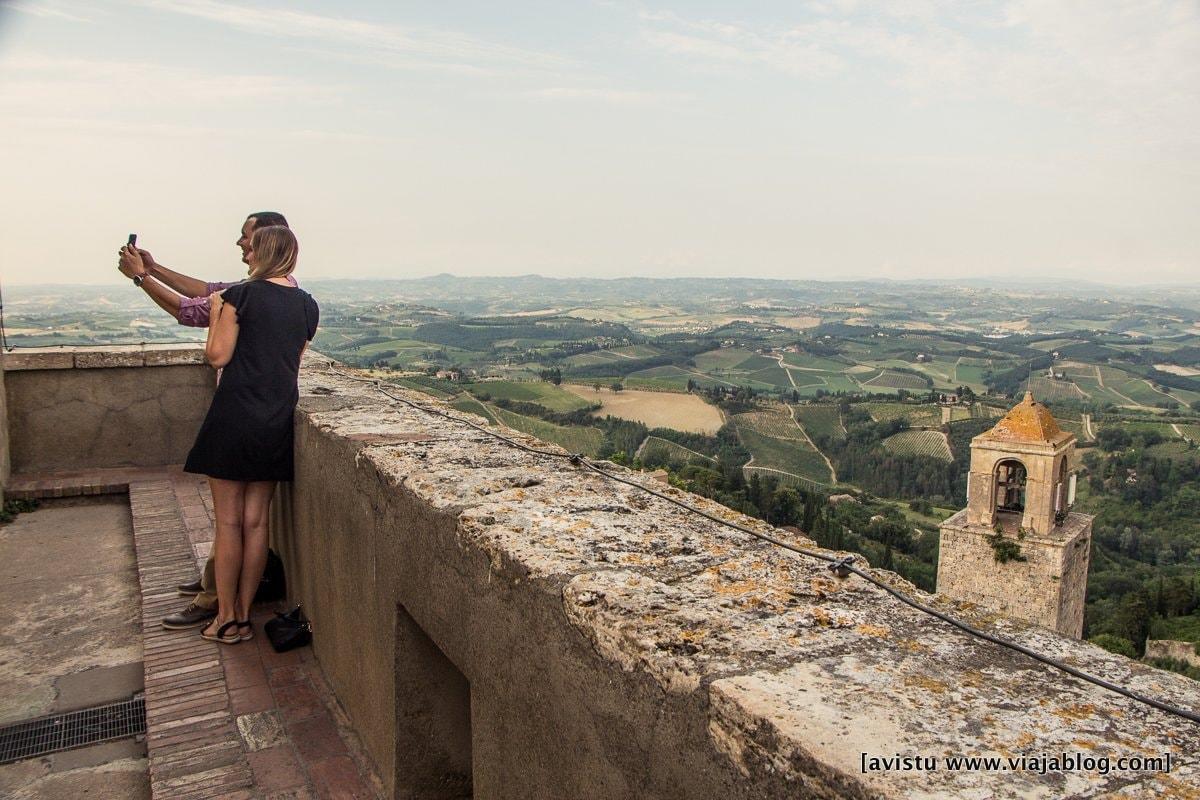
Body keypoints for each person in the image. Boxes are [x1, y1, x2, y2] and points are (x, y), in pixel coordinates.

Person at [128, 225, 318, 644]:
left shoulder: (239, 296)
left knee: (228, 524)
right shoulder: (307, 306)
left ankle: (227, 618)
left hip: (234, 418)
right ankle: (244, 617)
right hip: (276, 421)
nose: (244, 252)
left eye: (250, 248)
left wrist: (217, 314)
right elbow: (290, 361)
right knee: (256, 522)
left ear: (262, 254)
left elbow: (217, 355)